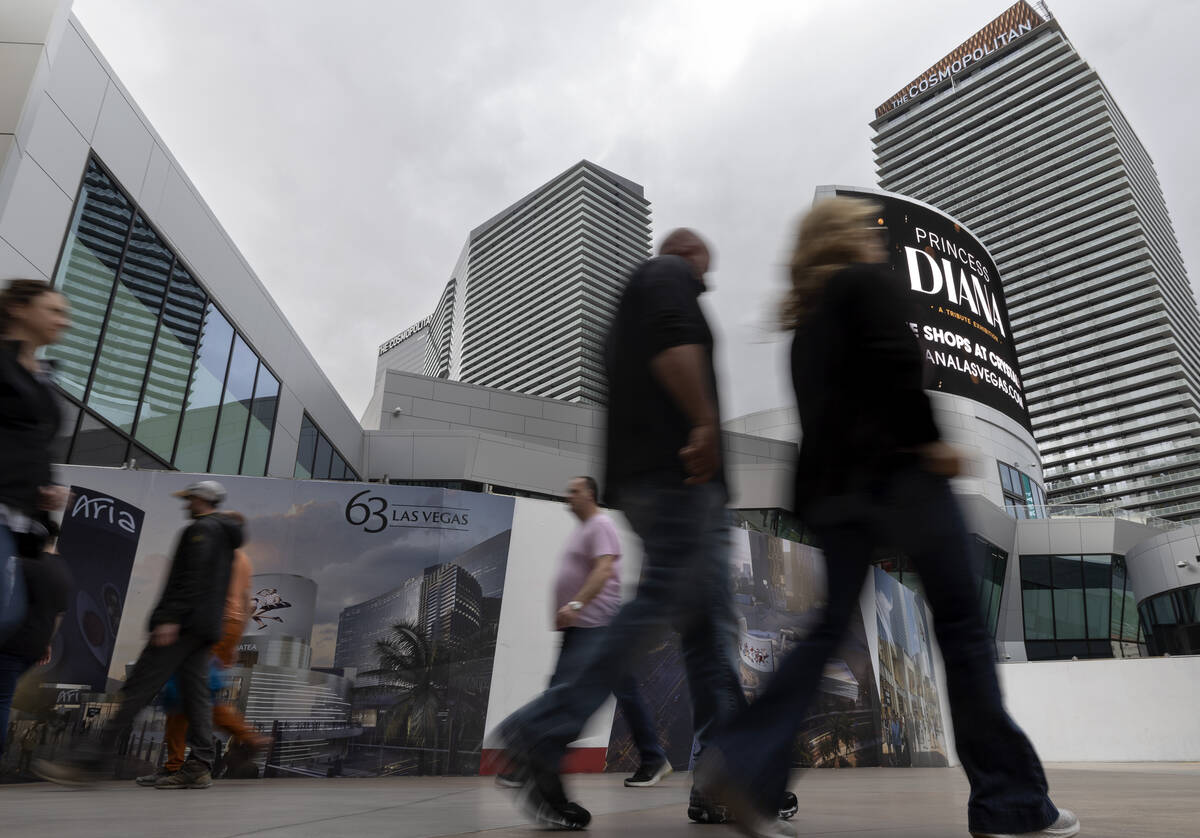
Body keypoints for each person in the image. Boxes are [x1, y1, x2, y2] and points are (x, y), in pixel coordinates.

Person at [694, 197, 1078, 838]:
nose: (875, 242)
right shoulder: (867, 283)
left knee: (823, 636)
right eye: (863, 232)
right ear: (845, 238)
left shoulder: (806, 322)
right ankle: (1011, 803)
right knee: (961, 632)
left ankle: (744, 763)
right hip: (902, 477)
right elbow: (900, 367)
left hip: (834, 496)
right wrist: (933, 445)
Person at [495, 230, 795, 830]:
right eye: (705, 264)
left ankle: (722, 780)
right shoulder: (666, 275)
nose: (708, 277)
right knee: (663, 609)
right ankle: (539, 732)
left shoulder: (635, 297)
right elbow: (671, 343)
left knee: (710, 640)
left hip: (657, 482)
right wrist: (705, 422)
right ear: (690, 253)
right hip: (680, 480)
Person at [35, 480, 242, 789]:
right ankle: (199, 764)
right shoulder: (225, 536)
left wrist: (169, 617)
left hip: (183, 626)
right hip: (204, 629)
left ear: (202, 499)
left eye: (190, 498)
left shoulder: (201, 530)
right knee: (196, 697)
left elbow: (191, 576)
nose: (186, 503)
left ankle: (89, 762)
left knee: (137, 690)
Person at [499, 476, 671, 790]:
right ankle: (652, 757)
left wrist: (576, 604)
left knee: (564, 695)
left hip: (596, 627)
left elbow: (604, 569)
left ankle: (533, 762)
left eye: (574, 491)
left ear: (590, 494)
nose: (569, 497)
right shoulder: (585, 530)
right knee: (606, 694)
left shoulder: (600, 524)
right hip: (583, 628)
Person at [136, 516, 270, 786]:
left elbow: (198, 589)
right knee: (181, 697)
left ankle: (248, 736)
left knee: (192, 695)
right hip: (224, 627)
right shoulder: (242, 559)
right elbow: (245, 603)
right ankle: (174, 765)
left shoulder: (219, 553)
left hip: (210, 625)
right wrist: (232, 640)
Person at [0, 279, 70, 643]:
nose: (65, 321)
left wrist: (46, 491)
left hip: (19, 516)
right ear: (18, 308)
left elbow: (30, 445)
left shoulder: (42, 377)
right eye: (54, 310)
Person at [0, 520, 71, 759]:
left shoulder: (25, 565)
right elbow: (59, 616)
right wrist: (46, 643)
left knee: (1, 700)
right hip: (33, 647)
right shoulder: (62, 572)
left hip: (10, 642)